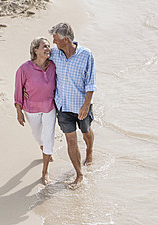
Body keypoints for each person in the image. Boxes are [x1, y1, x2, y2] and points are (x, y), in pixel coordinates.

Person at [48, 22, 97, 189]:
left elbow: (91, 83)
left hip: (81, 105)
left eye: (56, 39)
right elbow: (37, 60)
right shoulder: (54, 54)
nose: (53, 42)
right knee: (70, 139)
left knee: (86, 131)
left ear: (66, 39)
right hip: (63, 106)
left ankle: (89, 151)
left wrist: (86, 105)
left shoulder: (86, 55)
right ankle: (79, 174)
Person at [14, 37, 57, 185]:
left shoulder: (53, 65)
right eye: (44, 46)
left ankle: (45, 172)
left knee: (49, 137)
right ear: (35, 50)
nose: (48, 49)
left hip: (50, 107)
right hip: (31, 108)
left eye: (49, 46)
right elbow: (18, 90)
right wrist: (19, 111)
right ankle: (43, 147)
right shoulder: (24, 69)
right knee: (38, 136)